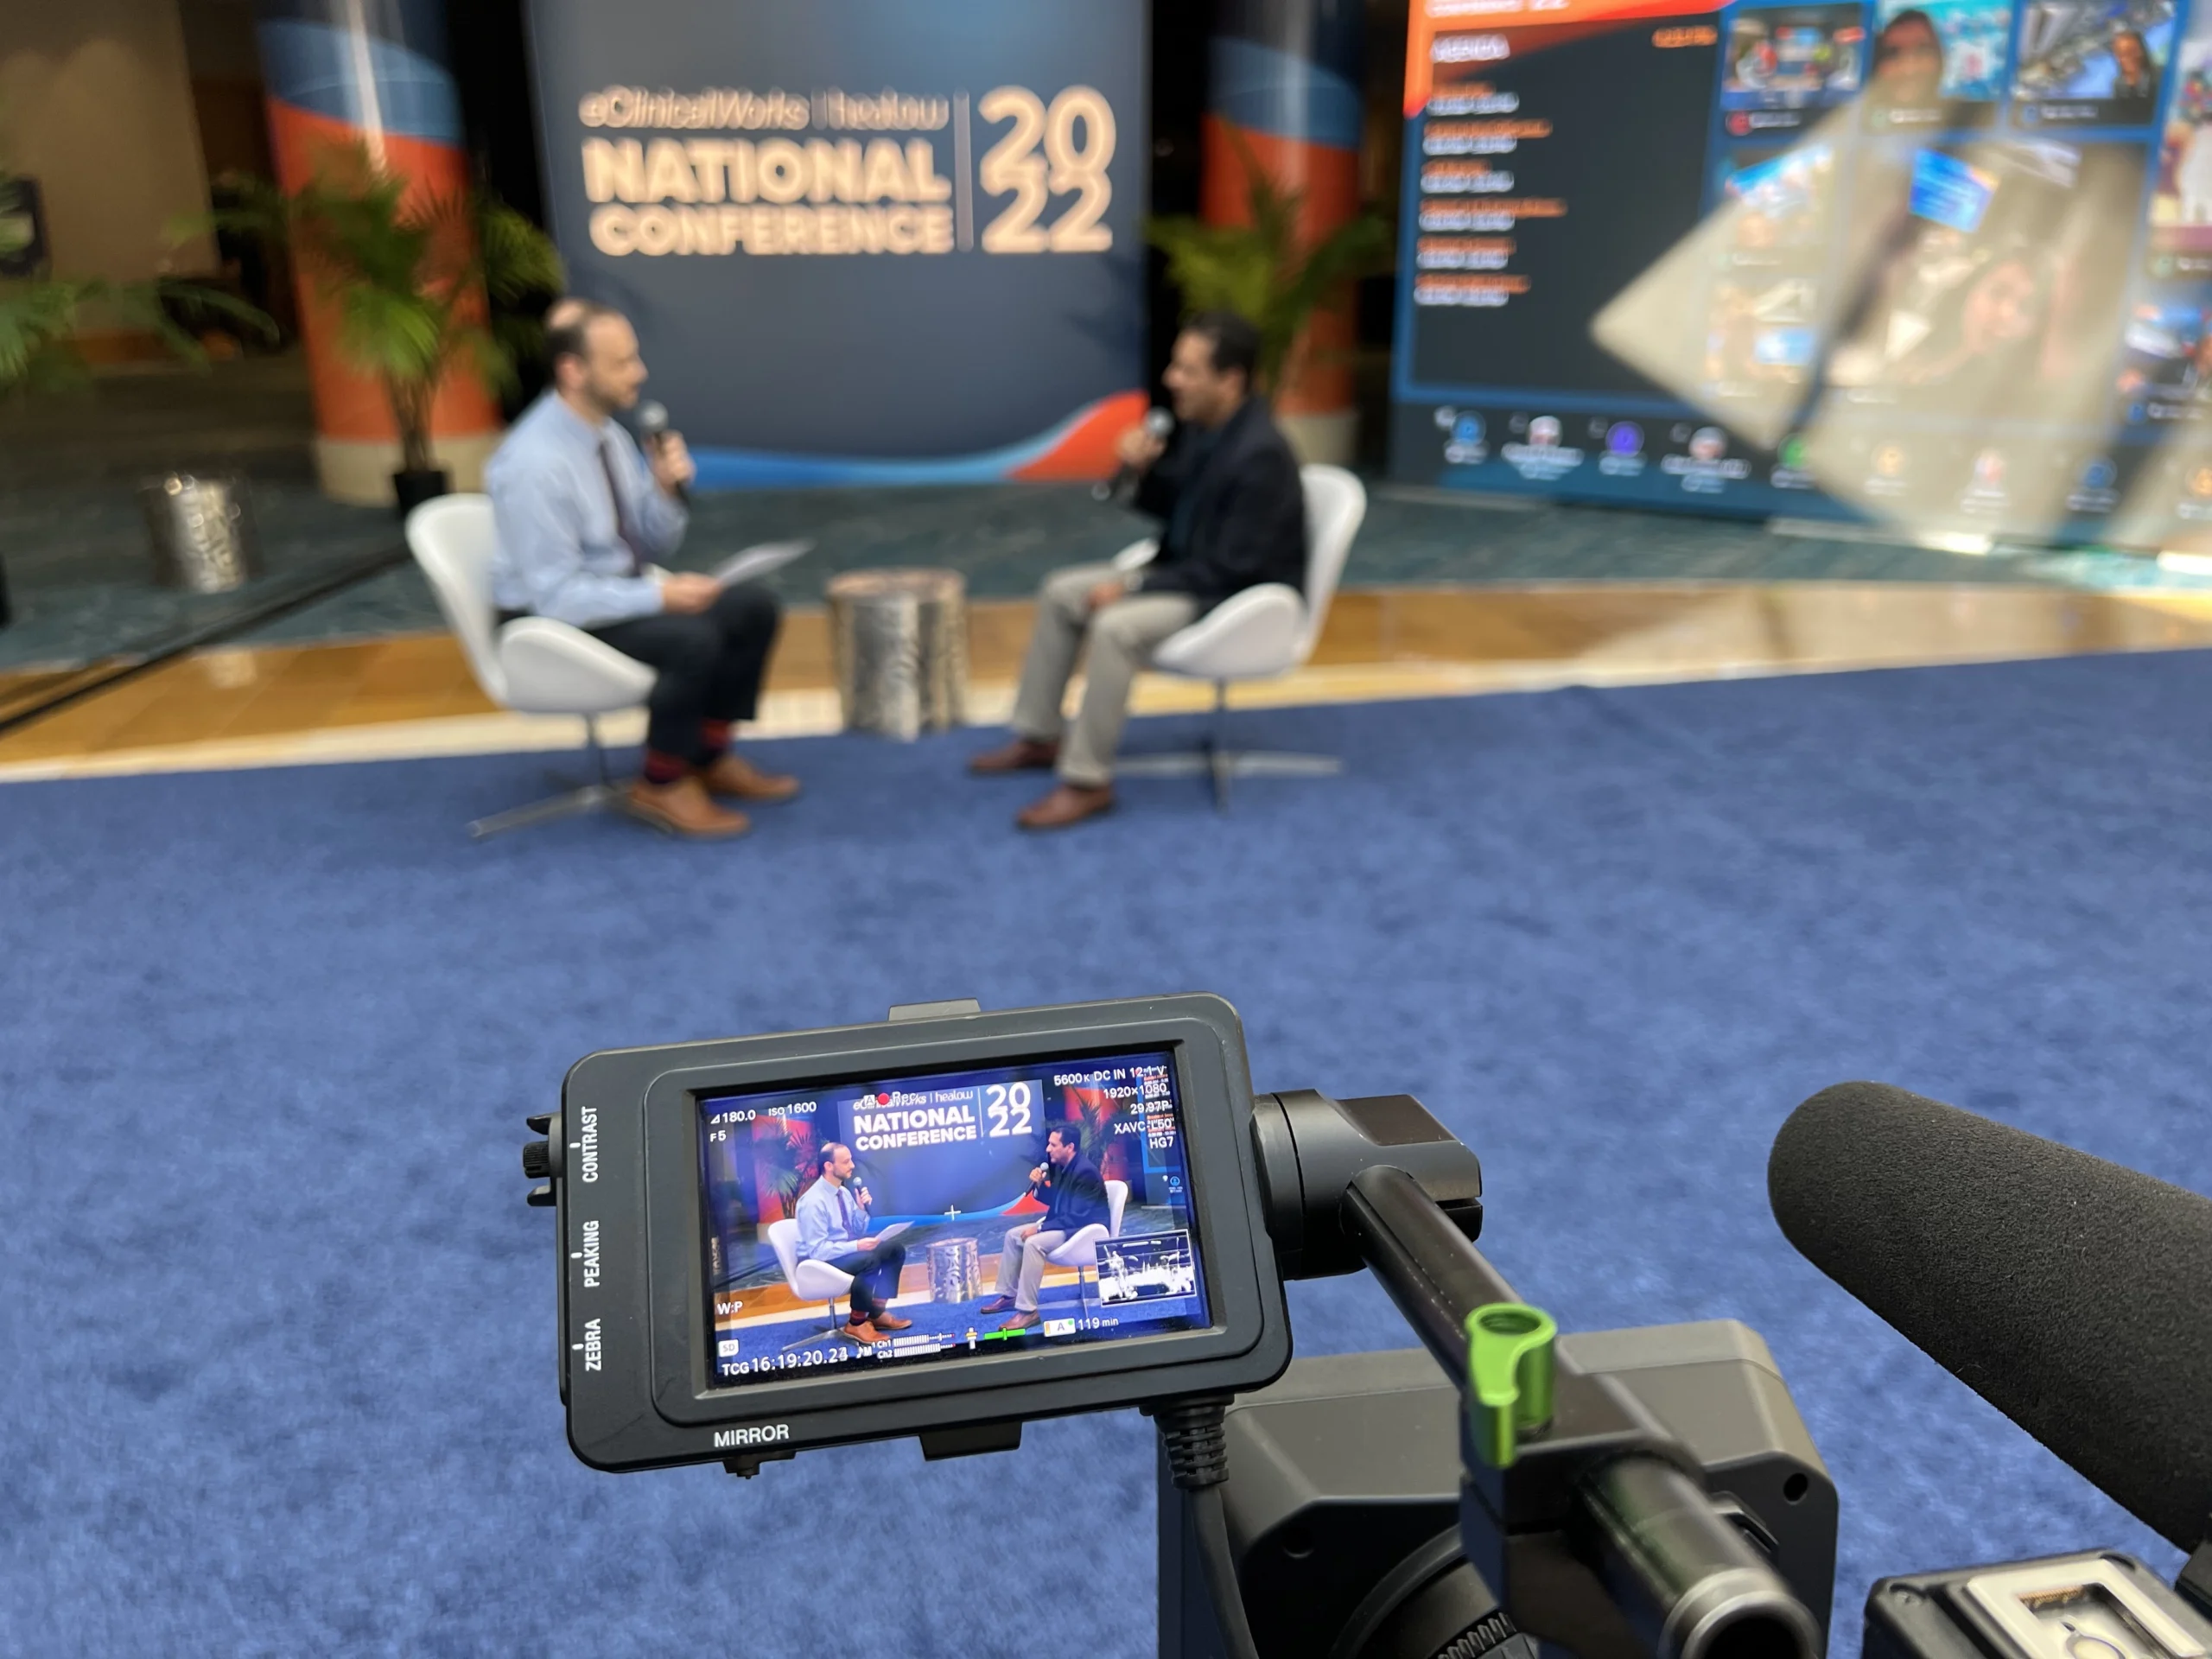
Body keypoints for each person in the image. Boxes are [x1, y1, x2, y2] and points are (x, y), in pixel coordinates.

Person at [967, 310, 1307, 830]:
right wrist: (1138, 470)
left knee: (1117, 627)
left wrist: (1135, 585)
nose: (1172, 379)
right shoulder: (1204, 430)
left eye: (1188, 370)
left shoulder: (1259, 455)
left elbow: (1231, 568)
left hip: (1231, 596)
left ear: (1230, 380)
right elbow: (1176, 508)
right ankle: (1040, 737)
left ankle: (1088, 781)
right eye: (1175, 366)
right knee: (1061, 592)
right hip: (1187, 571)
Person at [485, 300, 798, 839]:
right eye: (623, 363)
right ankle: (660, 782)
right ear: (573, 371)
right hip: (547, 619)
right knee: (694, 640)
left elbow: (648, 546)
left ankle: (707, 756)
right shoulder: (533, 464)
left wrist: (665, 491)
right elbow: (555, 597)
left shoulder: (608, 436)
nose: (640, 373)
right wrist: (661, 598)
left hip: (608, 592)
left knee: (753, 609)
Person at [979, 1125, 1112, 1331]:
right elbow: (1055, 1201)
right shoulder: (1060, 1166)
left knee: (1034, 1243)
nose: (1048, 1149)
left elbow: (1077, 1217)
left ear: (1070, 1147)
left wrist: (1040, 1229)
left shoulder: (1085, 1172)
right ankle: (1010, 1296)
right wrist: (1040, 1184)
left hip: (1083, 1230)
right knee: (1013, 1236)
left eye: (1053, 1145)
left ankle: (1028, 1312)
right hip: (1066, 1224)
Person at [792, 1142, 912, 1344]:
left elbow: (856, 1230)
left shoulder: (844, 1193)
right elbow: (818, 1251)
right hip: (817, 1262)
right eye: (846, 1162)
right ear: (829, 1166)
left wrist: (861, 1208)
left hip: (840, 1251)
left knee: (894, 1250)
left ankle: (876, 1313)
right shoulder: (813, 1202)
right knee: (869, 1261)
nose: (852, 1166)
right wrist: (857, 1246)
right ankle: (856, 1323)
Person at [1866, 10, 1944, 115]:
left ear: (1941, 61)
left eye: (1921, 51)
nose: (1908, 68)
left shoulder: (1964, 116)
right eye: (1894, 53)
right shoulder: (1851, 118)